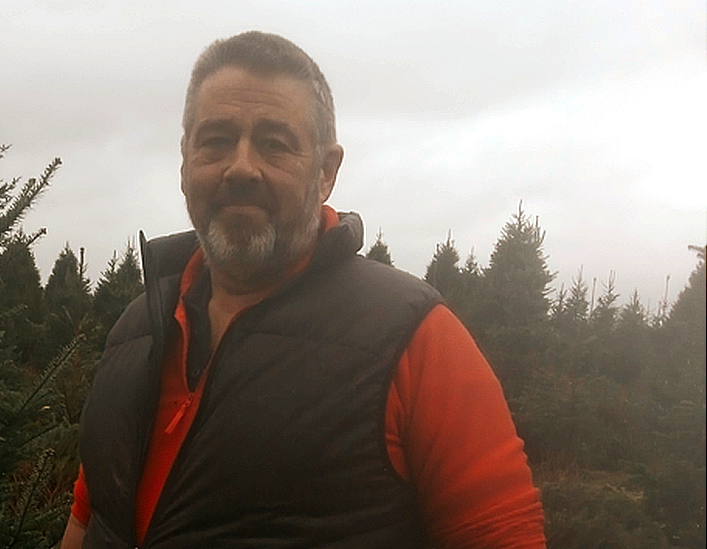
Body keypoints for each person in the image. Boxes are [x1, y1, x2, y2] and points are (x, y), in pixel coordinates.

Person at [60, 31, 545, 548]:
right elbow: (89, 521)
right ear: (185, 162)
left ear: (326, 171)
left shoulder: (413, 337)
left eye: (274, 143)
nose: (241, 167)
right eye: (216, 140)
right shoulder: (136, 331)